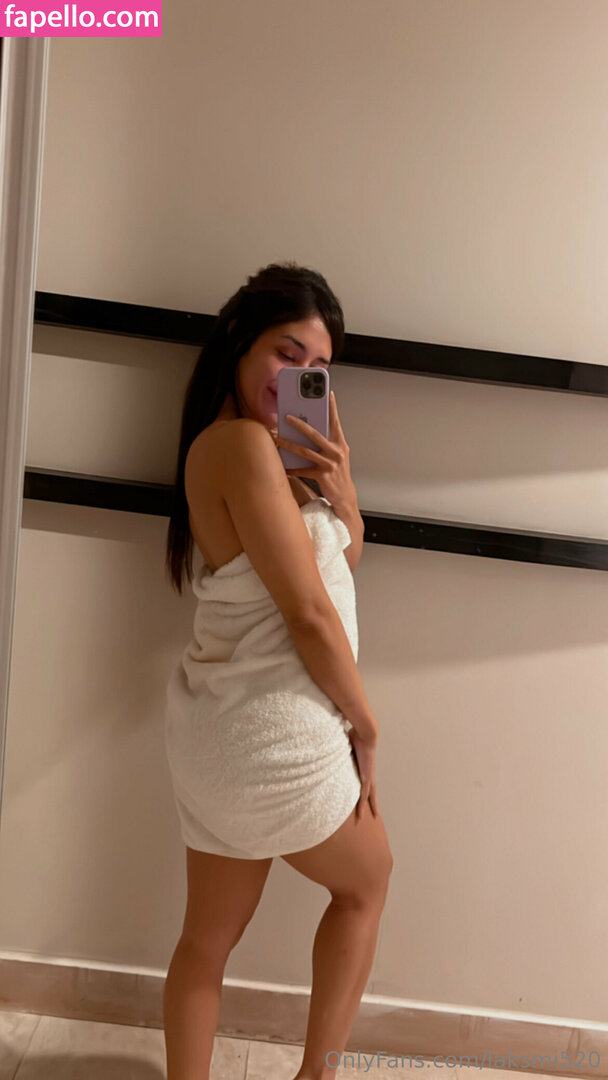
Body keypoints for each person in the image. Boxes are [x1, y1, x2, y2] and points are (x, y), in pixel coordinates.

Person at [162, 261, 393, 1080]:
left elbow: (333, 567)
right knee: (368, 883)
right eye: (286, 354)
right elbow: (310, 615)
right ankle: (316, 1077)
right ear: (238, 339)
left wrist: (342, 492)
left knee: (205, 942)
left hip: (217, 739)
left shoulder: (247, 454)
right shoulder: (241, 448)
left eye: (316, 368)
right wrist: (365, 723)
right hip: (275, 736)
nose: (298, 376)